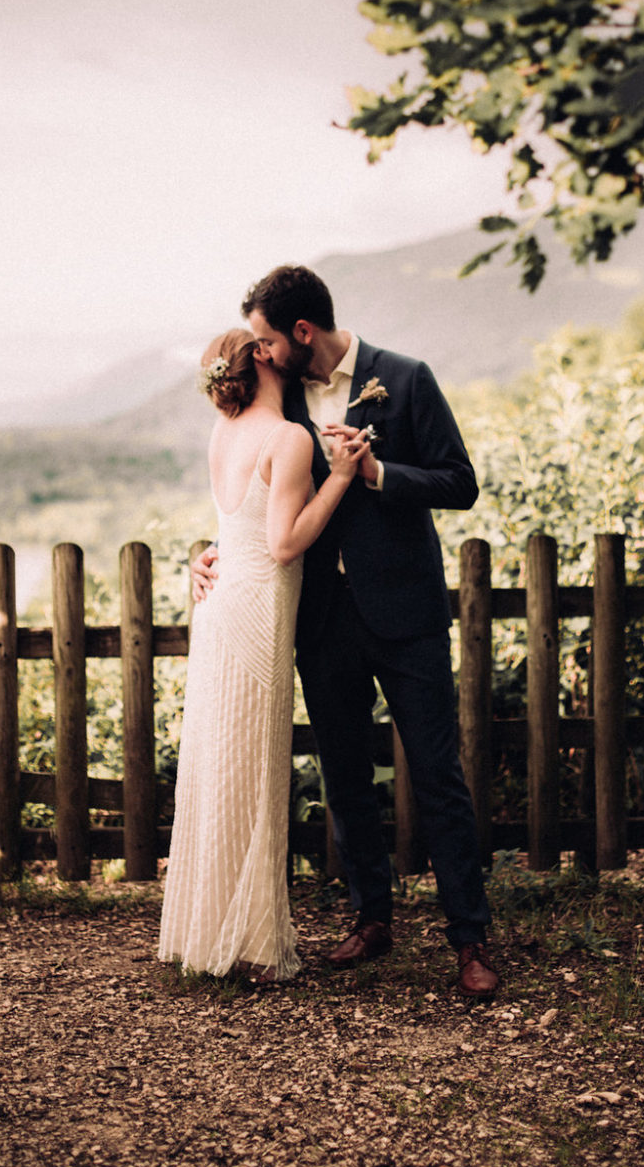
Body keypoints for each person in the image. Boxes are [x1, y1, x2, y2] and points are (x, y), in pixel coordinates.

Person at [193, 267, 499, 997]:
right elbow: (252, 482)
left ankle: (470, 940)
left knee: (437, 773)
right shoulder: (280, 395)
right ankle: (371, 917)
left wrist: (378, 474)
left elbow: (460, 482)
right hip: (321, 619)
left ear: (303, 333)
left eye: (267, 339)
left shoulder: (406, 378)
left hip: (406, 614)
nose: (259, 353)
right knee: (346, 776)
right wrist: (210, 554)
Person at [158, 327, 367, 981]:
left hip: (220, 608)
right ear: (260, 360)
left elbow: (234, 526)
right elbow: (283, 544)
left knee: (222, 765)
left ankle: (214, 932)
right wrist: (342, 478)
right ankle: (249, 943)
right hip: (257, 608)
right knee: (253, 767)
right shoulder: (289, 437)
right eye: (266, 344)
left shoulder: (226, 432)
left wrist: (202, 559)